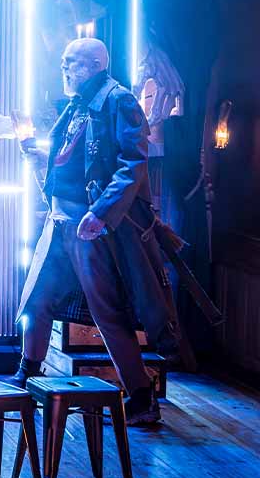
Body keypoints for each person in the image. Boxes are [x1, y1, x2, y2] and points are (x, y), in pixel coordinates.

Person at [9, 38, 174, 426]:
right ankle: (27, 376)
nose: (64, 68)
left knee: (106, 312)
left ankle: (140, 396)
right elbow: (72, 156)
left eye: (73, 62)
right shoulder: (79, 103)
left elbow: (133, 163)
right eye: (64, 62)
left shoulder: (118, 101)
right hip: (60, 221)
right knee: (36, 300)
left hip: (89, 226)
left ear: (96, 63)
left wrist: (100, 212)